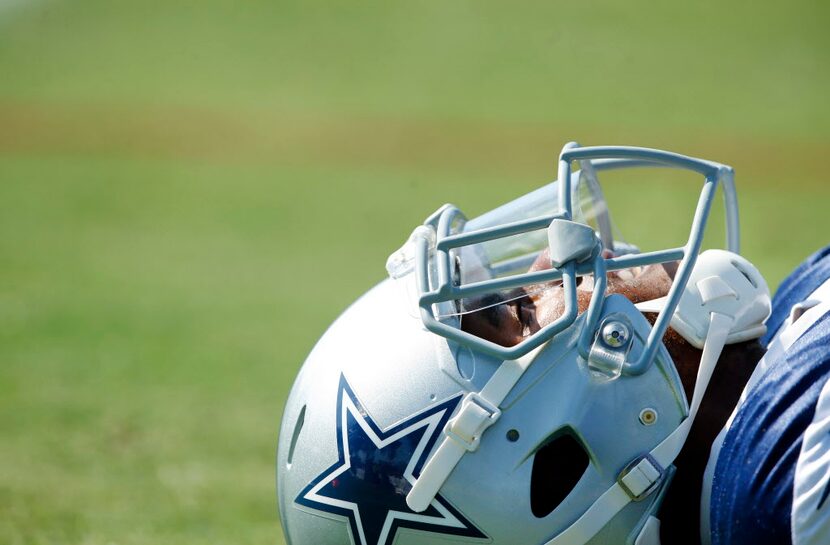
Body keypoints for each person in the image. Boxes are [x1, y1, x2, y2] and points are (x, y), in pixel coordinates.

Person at [275, 143, 830, 545]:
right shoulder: (794, 473)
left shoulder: (788, 325)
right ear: (550, 448)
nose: (550, 258)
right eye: (520, 307)